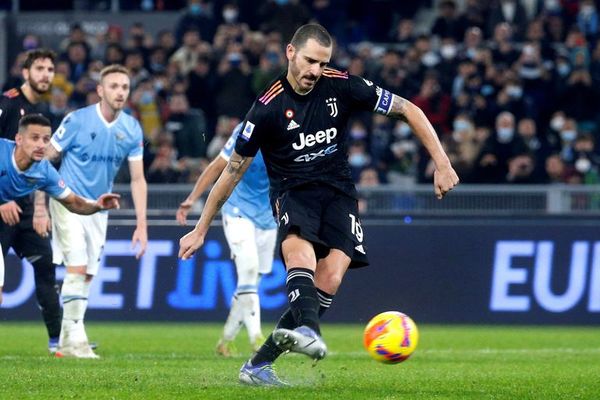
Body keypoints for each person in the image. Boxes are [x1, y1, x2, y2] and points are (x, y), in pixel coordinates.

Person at [178, 24, 459, 386]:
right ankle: (308, 329)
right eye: (310, 60)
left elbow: (409, 110)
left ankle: (258, 365)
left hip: (339, 191)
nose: (315, 70)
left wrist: (442, 161)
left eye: (322, 62)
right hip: (292, 191)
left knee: (331, 276)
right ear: (290, 53)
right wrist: (201, 228)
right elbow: (230, 172)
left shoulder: (342, 84)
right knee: (302, 258)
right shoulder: (266, 108)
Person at [45, 64, 148, 359]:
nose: (120, 92)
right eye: (114, 86)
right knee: (76, 266)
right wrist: (42, 200)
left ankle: (67, 339)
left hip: (98, 209)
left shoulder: (131, 128)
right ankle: (77, 340)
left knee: (88, 273)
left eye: (125, 87)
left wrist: (141, 225)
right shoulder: (77, 120)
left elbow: (138, 179)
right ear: (100, 91)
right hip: (67, 201)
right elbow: (47, 156)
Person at [176, 122, 277, 357]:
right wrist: (192, 198)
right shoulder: (248, 129)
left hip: (269, 216)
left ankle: (226, 340)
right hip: (237, 209)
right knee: (250, 271)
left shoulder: (296, 133)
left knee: (250, 281)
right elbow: (218, 166)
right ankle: (257, 339)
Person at [0, 114, 120, 306]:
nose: (41, 144)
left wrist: (97, 206)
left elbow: (74, 202)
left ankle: (57, 336)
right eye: (35, 138)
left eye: (46, 139)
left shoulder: (44, 172)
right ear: (19, 139)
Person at [0, 48, 64, 353]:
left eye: (50, 69)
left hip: (25, 209)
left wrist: (41, 210)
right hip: (1, 205)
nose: (45, 74)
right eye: (39, 68)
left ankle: (57, 343)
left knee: (46, 268)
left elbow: (41, 171)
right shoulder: (8, 103)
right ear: (26, 73)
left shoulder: (44, 115)